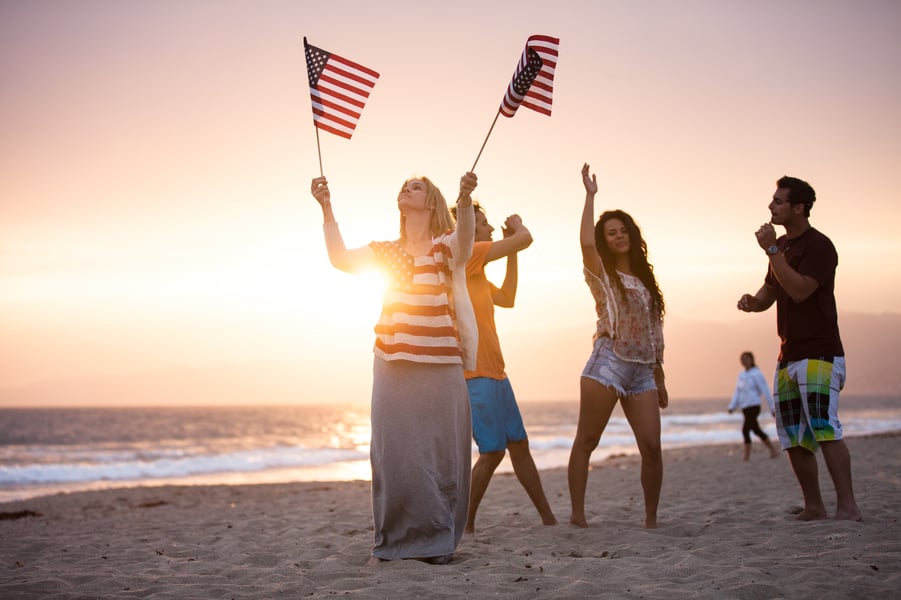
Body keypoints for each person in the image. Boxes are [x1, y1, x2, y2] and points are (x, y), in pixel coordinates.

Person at [310, 170, 479, 564]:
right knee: (396, 454)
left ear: (432, 202)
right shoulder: (386, 251)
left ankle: (437, 540)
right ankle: (397, 541)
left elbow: (466, 240)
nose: (407, 188)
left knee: (441, 455)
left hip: (441, 363)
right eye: (405, 185)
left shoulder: (444, 247)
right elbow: (340, 259)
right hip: (392, 361)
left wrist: (466, 198)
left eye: (417, 186)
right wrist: (326, 206)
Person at [737, 175, 862, 521]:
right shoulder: (784, 249)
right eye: (772, 200)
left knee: (823, 427)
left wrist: (772, 250)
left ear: (799, 208)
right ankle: (814, 507)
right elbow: (772, 291)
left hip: (820, 352)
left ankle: (848, 507)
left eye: (778, 201)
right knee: (792, 435)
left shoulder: (818, 246)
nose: (771, 206)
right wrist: (753, 302)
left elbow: (801, 290)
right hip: (787, 354)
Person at [568, 163, 668, 529]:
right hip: (608, 362)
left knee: (652, 448)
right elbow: (584, 243)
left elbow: (655, 331)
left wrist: (660, 374)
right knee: (588, 441)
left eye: (623, 230)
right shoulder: (602, 276)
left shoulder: (645, 279)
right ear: (604, 239)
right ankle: (578, 517)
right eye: (611, 233)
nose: (618, 236)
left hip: (642, 371)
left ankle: (651, 519)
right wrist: (590, 197)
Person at [449, 202, 557, 533]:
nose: (491, 229)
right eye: (484, 223)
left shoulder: (477, 271)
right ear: (469, 229)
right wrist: (518, 226)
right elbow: (526, 238)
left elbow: (508, 298)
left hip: (497, 373)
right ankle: (464, 526)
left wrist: (511, 252)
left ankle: (548, 519)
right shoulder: (467, 257)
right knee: (493, 451)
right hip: (475, 376)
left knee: (519, 446)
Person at [728, 351, 779, 461]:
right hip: (745, 406)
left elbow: (765, 390)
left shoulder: (757, 373)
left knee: (745, 430)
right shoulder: (741, 375)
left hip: (754, 405)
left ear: (751, 360)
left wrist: (772, 407)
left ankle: (746, 457)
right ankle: (773, 450)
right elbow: (738, 391)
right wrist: (732, 406)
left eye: (747, 359)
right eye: (742, 359)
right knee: (756, 429)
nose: (745, 361)